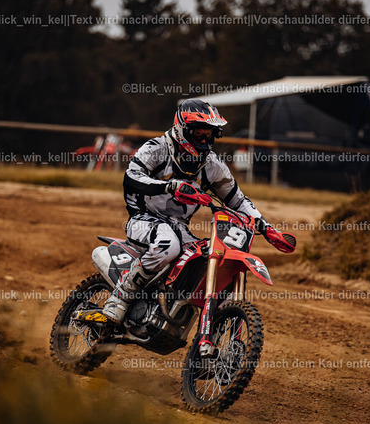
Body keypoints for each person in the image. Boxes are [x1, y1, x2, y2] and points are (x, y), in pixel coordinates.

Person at [103, 99, 294, 324]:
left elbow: (238, 200)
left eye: (209, 133)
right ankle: (121, 295)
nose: (204, 139)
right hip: (143, 219)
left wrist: (268, 229)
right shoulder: (156, 148)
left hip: (179, 226)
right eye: (199, 132)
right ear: (182, 128)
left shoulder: (212, 165)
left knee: (205, 258)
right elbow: (132, 176)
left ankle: (202, 323)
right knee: (168, 245)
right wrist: (170, 186)